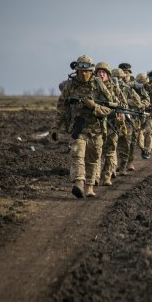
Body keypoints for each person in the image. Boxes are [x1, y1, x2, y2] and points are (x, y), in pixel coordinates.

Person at [51, 55, 114, 198]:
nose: (83, 74)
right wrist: (55, 128)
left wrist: (94, 107)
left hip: (96, 128)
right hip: (78, 127)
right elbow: (61, 108)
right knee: (77, 154)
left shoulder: (99, 85)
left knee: (93, 158)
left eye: (86, 71)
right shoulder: (70, 85)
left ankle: (90, 187)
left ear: (91, 71)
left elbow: (110, 107)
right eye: (80, 71)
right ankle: (79, 182)